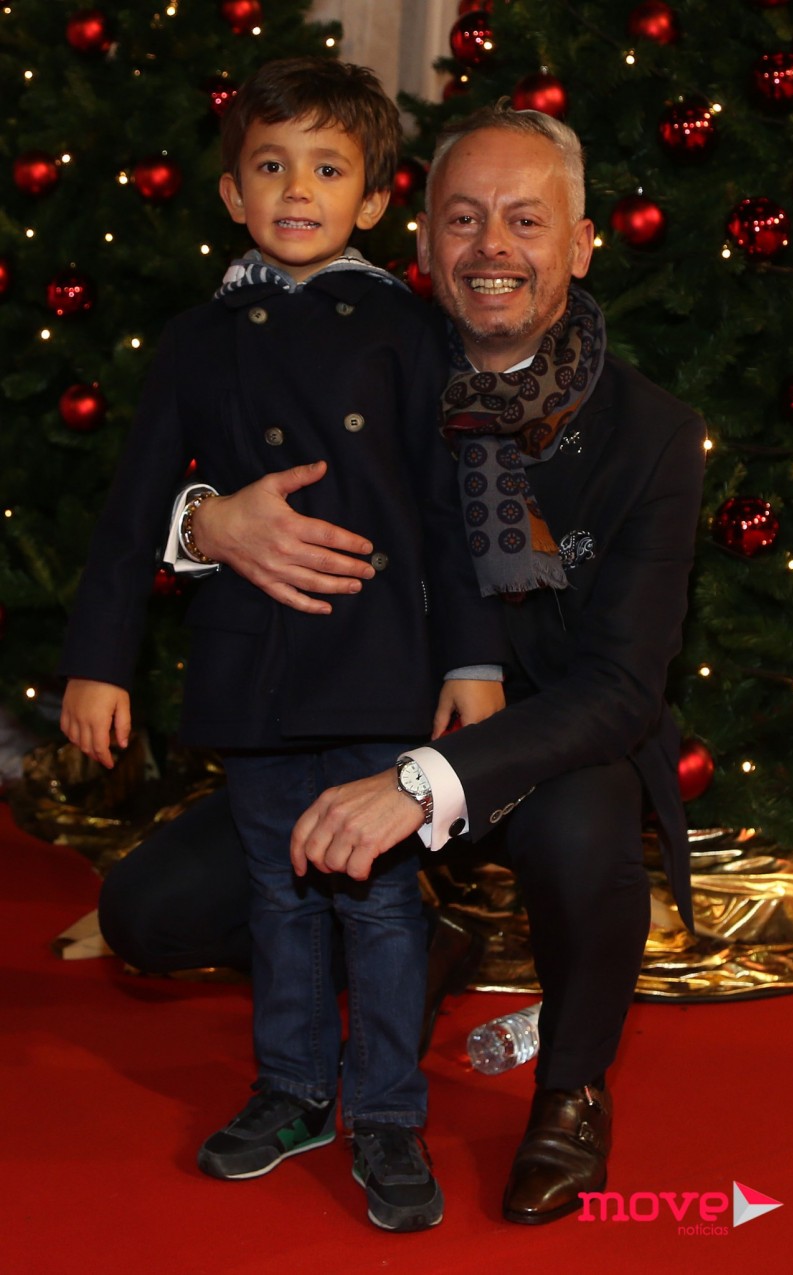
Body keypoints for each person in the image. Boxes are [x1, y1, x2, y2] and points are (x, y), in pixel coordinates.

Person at [175, 101, 706, 1226]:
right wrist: (205, 524)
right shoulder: (351, 348)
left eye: (525, 220)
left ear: (580, 244)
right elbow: (194, 444)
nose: (490, 247)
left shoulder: (652, 434)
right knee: (153, 912)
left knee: (584, 832)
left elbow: (621, 689)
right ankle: (422, 937)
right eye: (462, 219)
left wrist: (420, 784)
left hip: (541, 746)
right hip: (345, 715)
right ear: (419, 240)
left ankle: (570, 1088)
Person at [58, 58, 508, 1234]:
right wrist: (98, 662)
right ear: (231, 193)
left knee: (378, 907)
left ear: (375, 199)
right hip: (250, 666)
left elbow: (451, 512)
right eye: (270, 166)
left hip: (377, 671)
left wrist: (471, 662)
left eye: (327, 168)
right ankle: (295, 1089)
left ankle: (388, 1113)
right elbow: (134, 511)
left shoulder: (408, 331)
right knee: (278, 897)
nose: (296, 190)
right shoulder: (196, 340)